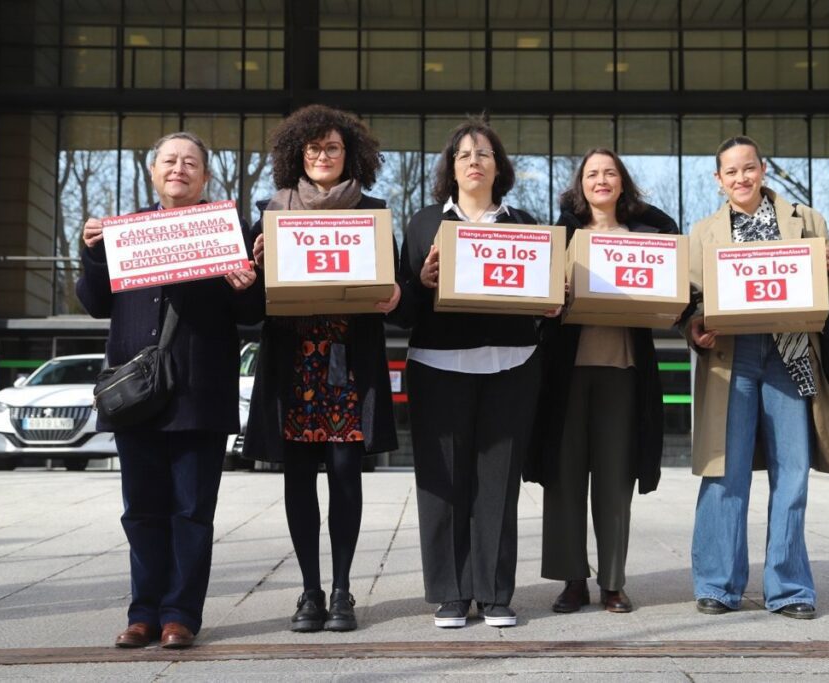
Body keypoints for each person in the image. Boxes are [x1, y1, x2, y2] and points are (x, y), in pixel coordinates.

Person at [76, 132, 263, 648]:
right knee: (141, 510)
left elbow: (252, 316)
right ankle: (143, 613)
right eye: (169, 161)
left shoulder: (227, 232)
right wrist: (92, 253)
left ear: (205, 177)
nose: (179, 169)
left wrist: (247, 283)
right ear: (153, 173)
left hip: (199, 394)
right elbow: (94, 302)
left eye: (190, 162)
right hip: (135, 395)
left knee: (191, 510)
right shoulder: (126, 232)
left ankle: (180, 614)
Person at [684, 135, 829, 620]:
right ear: (718, 181)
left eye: (749, 168)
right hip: (733, 355)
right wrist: (694, 326)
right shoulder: (703, 232)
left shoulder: (806, 220)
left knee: (792, 473)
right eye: (731, 172)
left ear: (762, 170)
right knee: (726, 472)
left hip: (791, 355)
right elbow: (692, 301)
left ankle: (789, 588)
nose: (741, 178)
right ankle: (718, 584)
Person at [242, 105, 400, 633]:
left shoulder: (375, 212)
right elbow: (247, 307)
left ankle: (343, 591)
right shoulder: (270, 214)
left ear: (348, 152)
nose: (323, 155)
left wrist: (395, 293)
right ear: (297, 154)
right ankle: (309, 591)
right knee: (298, 481)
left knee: (346, 477)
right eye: (313, 148)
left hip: (348, 366)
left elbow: (393, 297)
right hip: (294, 366)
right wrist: (258, 267)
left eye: (332, 147)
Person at [393, 118, 545, 629]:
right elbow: (403, 309)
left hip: (511, 365)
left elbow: (542, 302)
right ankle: (450, 594)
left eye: (483, 153)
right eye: (463, 154)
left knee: (497, 487)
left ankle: (496, 592)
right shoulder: (422, 223)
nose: (474, 161)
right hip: (437, 365)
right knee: (442, 484)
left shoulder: (526, 225)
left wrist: (552, 304)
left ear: (498, 166)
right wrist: (423, 280)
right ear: (451, 168)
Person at [528, 149, 674, 614]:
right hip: (566, 372)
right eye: (592, 174)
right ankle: (573, 580)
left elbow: (673, 263)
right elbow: (537, 300)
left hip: (624, 370)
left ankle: (613, 582)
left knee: (615, 480)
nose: (601, 180)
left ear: (623, 181)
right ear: (580, 185)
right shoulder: (561, 234)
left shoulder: (649, 233)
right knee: (564, 478)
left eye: (610, 172)